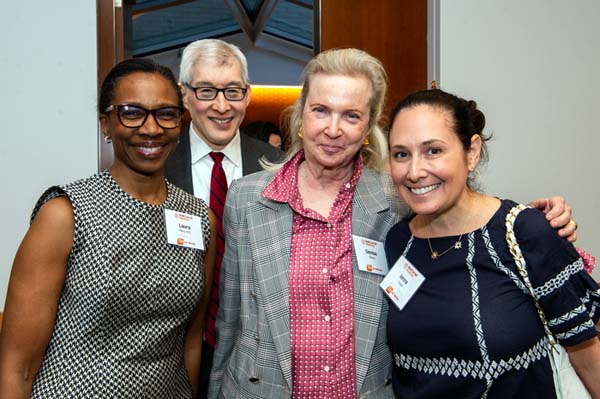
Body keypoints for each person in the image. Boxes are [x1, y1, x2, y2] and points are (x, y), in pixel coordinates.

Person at [208, 48, 576, 399]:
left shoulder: (399, 198)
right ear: (301, 114)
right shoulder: (246, 198)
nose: (333, 129)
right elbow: (231, 321)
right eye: (321, 110)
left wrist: (533, 224)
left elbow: (465, 214)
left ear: (369, 125)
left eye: (351, 116)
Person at [0, 59, 216, 398]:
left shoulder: (199, 218)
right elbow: (17, 366)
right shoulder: (65, 214)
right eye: (132, 112)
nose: (151, 129)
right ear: (106, 123)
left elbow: (189, 341)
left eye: (166, 113)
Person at [385, 88, 600, 398]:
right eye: (401, 154)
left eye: (433, 150)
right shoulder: (396, 241)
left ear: (471, 152)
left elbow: (587, 354)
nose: (415, 171)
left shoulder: (523, 232)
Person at [164, 39, 283, 397]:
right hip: (172, 348)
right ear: (184, 96)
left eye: (232, 91)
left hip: (254, 354)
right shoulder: (158, 165)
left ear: (247, 95)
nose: (221, 105)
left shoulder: (278, 166)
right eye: (206, 90)